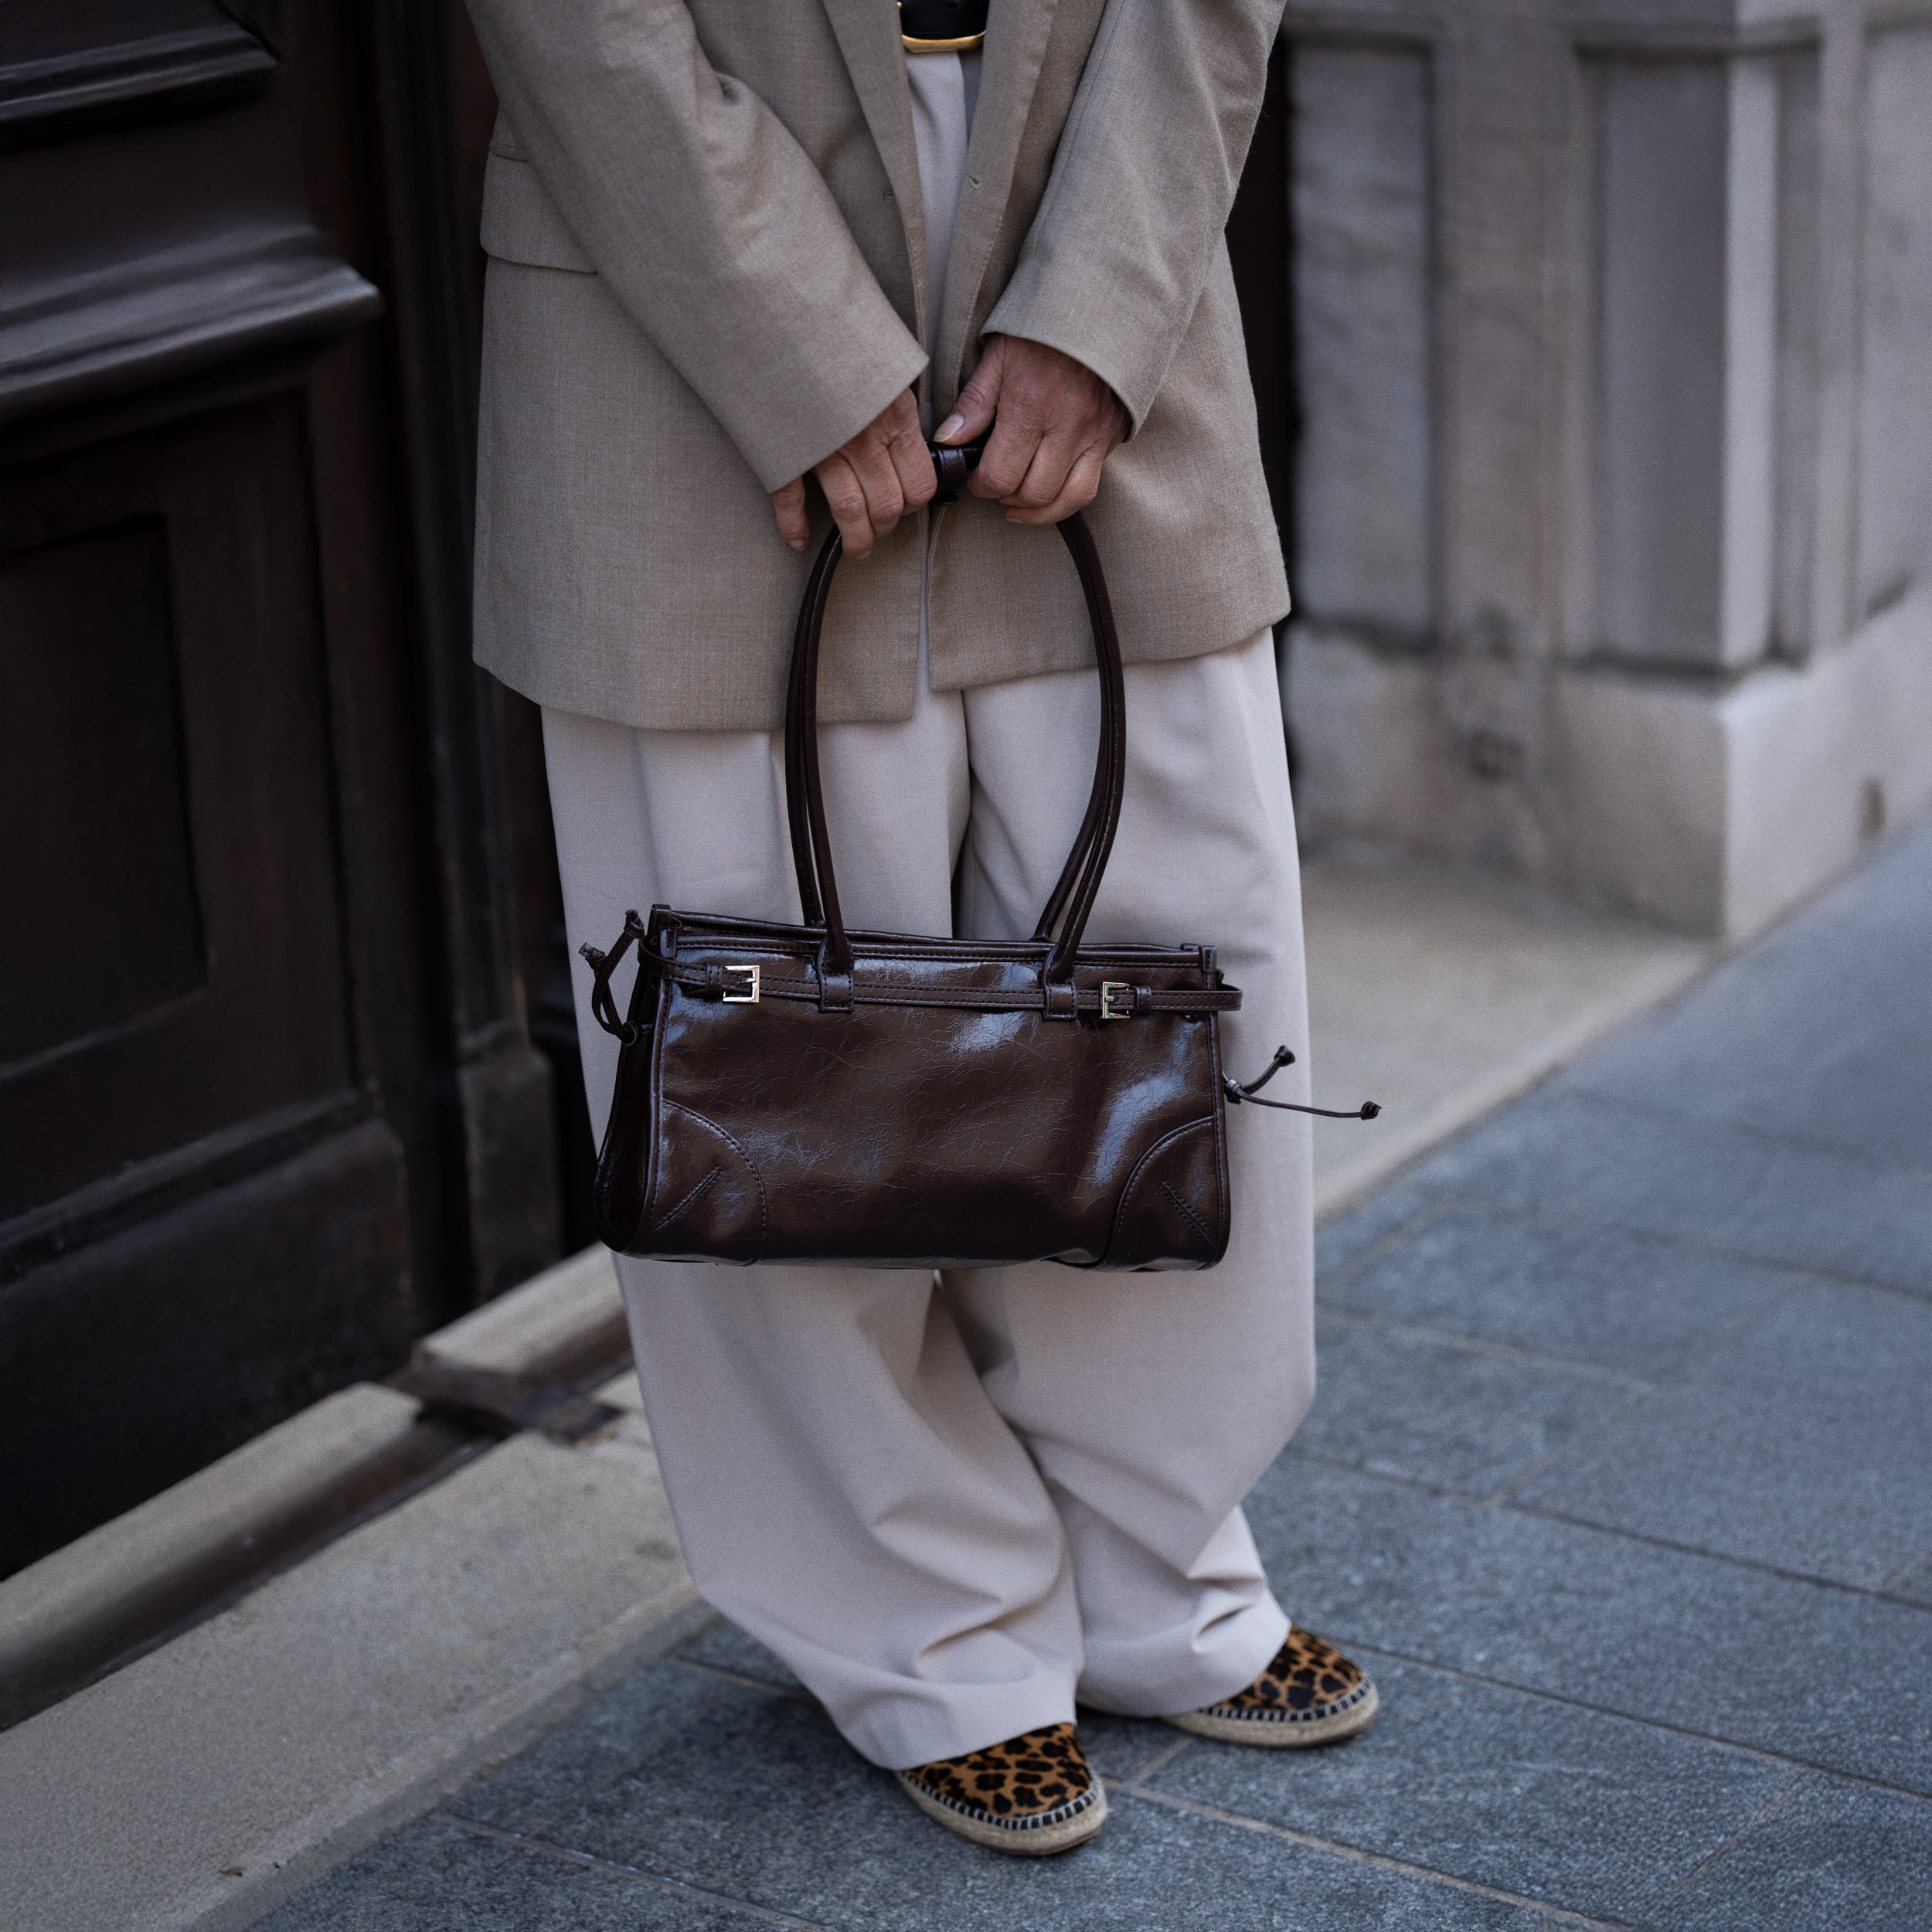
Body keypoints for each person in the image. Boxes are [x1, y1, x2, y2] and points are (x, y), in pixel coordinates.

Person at [462, 0, 1377, 1855]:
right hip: (685, 255)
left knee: (1176, 967)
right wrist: (788, 337)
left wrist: (1103, 302)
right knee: (778, 1043)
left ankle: (1152, 1567)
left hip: (1093, 204)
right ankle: (928, 1629)